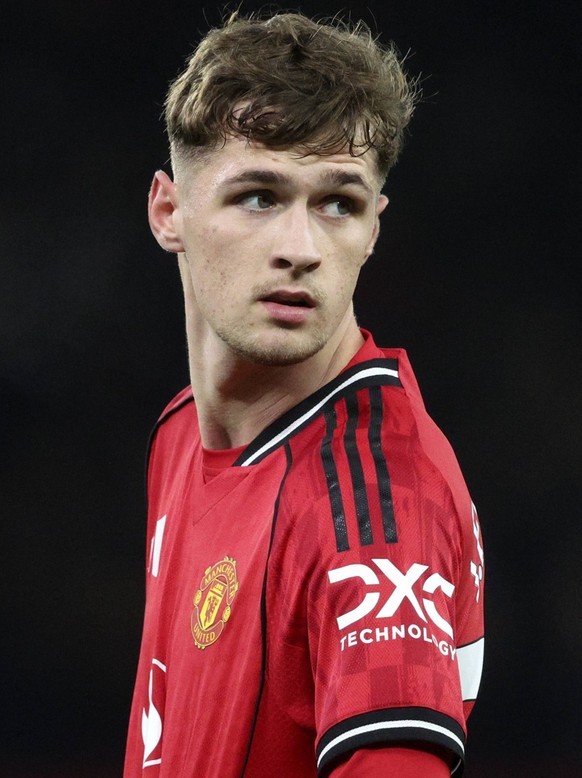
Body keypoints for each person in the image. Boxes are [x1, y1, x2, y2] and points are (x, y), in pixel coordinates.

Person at [124, 10, 485, 778]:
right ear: (169, 213)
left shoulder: (376, 509)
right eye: (258, 196)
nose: (301, 249)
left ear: (374, 229)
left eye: (338, 203)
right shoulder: (182, 434)